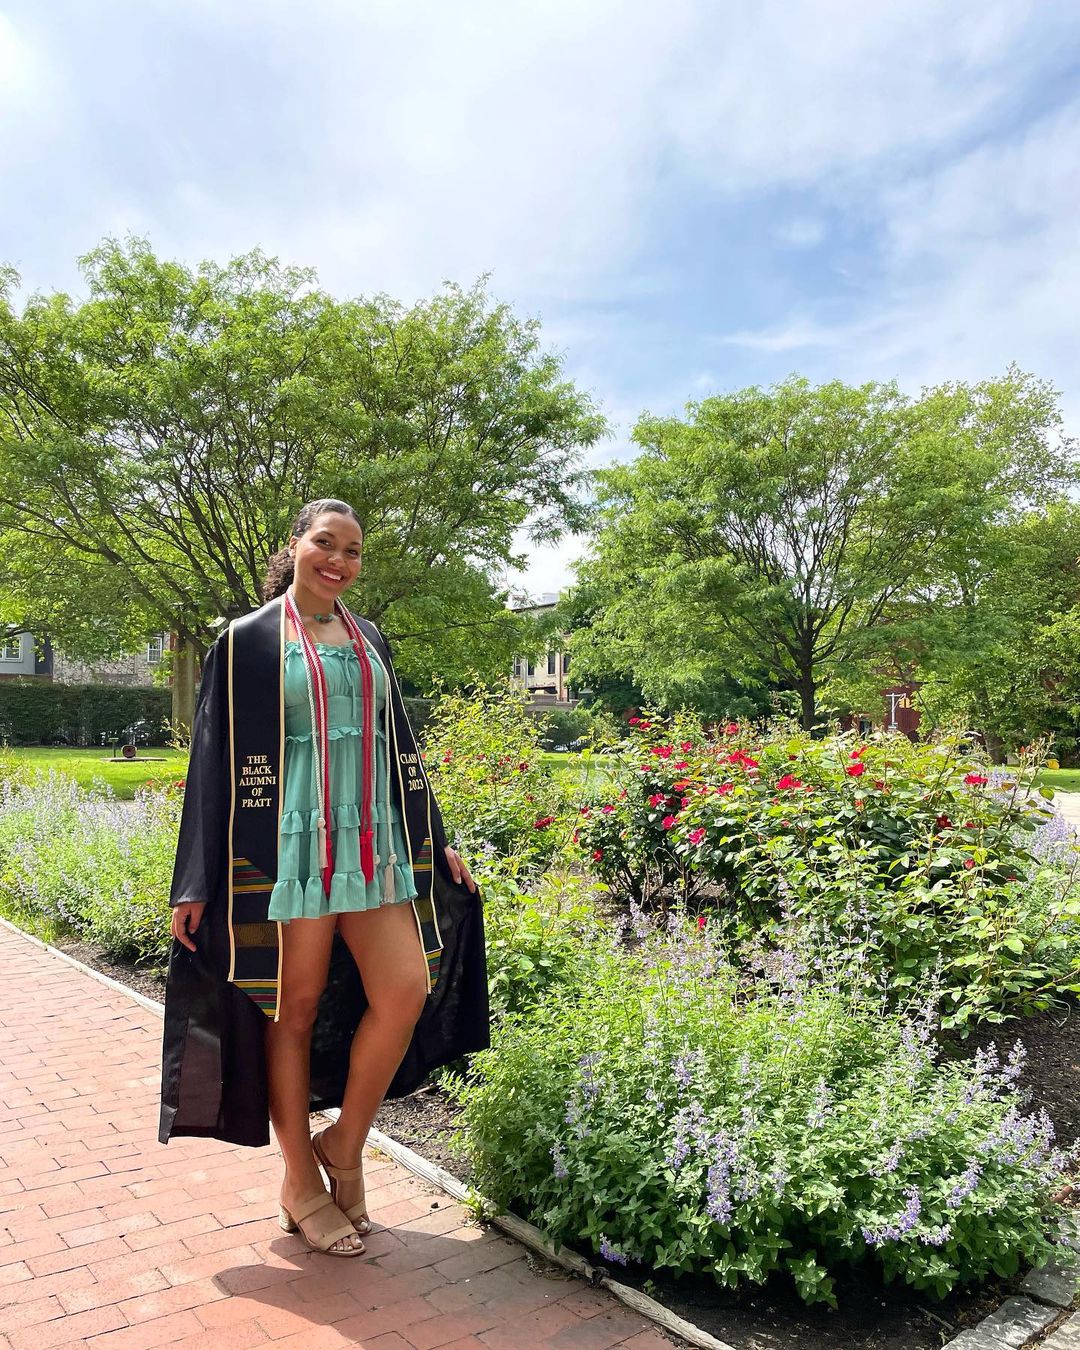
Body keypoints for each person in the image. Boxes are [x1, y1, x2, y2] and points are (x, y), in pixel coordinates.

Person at [159, 498, 489, 1258]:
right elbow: (210, 760)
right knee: (294, 1010)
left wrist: (438, 839)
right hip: (290, 849)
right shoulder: (246, 642)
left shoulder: (370, 637)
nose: (339, 561)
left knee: (404, 990)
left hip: (371, 842)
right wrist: (195, 879)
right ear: (296, 545)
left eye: (353, 551)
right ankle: (300, 1181)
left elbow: (401, 745)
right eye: (325, 543)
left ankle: (342, 1144)